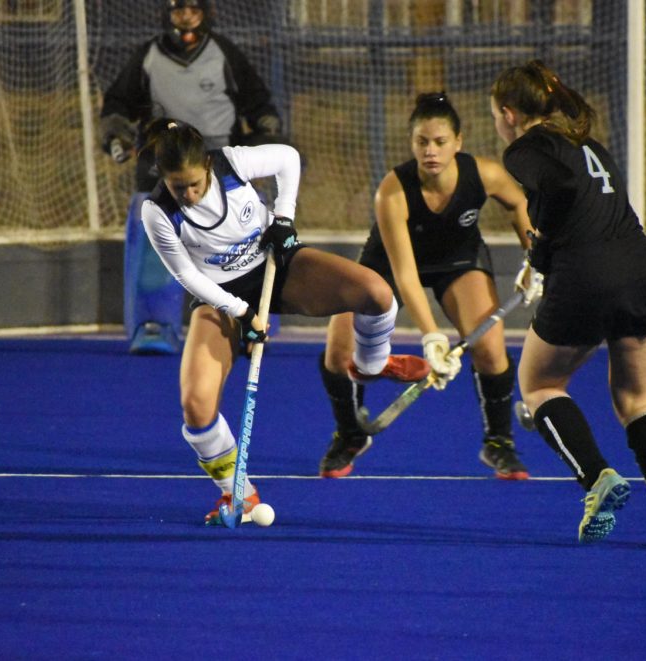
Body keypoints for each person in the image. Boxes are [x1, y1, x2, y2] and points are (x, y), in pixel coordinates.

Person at [139, 118, 429, 523]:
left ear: (207, 166)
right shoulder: (156, 212)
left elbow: (288, 159)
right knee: (196, 406)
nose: (187, 195)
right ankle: (239, 495)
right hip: (219, 296)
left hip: (276, 264)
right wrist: (242, 312)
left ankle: (371, 364)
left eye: (194, 184)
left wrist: (283, 219)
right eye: (177, 187)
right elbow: (187, 275)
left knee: (377, 294)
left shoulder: (231, 163)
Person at [490, 60, 646, 548]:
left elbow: (560, 188)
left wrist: (540, 255)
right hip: (640, 267)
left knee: (539, 385)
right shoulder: (588, 144)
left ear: (509, 114)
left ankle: (598, 477)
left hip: (586, 272)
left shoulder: (524, 149)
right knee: (639, 399)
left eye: (496, 115)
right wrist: (541, 257)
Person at [317, 92, 540, 480]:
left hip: (458, 261)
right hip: (390, 264)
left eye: (440, 141)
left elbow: (520, 204)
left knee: (490, 348)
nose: (431, 151)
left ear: (458, 142)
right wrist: (432, 337)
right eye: (422, 142)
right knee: (339, 350)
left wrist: (535, 257)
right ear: (412, 143)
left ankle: (498, 442)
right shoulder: (392, 191)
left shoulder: (485, 174)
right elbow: (405, 274)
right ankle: (350, 434)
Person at [100, 0, 282, 355]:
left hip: (218, 165)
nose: (185, 18)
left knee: (239, 244)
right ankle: (155, 322)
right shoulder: (148, 56)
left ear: (206, 14)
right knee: (155, 243)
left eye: (193, 11)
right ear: (167, 14)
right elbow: (117, 104)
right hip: (162, 166)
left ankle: (249, 324)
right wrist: (115, 134)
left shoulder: (224, 53)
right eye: (178, 10)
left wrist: (267, 129)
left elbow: (258, 102)